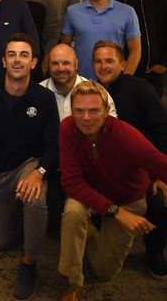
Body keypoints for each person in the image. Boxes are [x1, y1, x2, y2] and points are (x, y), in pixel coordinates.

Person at [57, 81, 167, 301]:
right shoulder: (67, 128)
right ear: (71, 111)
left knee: (104, 272)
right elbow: (71, 183)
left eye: (94, 110)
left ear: (107, 112)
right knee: (73, 212)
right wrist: (115, 212)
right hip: (90, 195)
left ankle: (90, 233)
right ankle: (73, 282)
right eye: (79, 111)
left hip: (127, 200)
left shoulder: (128, 137)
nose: (86, 117)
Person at [0, 33, 59, 301]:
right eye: (12, 55)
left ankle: (30, 264)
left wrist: (39, 172)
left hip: (27, 166)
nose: (17, 60)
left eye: (24, 55)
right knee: (1, 242)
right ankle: (16, 217)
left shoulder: (44, 98)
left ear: (33, 63)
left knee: (34, 200)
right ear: (3, 62)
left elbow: (54, 146)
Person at [92, 40, 167, 279]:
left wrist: (162, 175)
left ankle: (155, 251)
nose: (103, 66)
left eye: (109, 61)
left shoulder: (140, 89)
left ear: (122, 64)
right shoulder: (89, 92)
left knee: (160, 201)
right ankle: (99, 240)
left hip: (144, 167)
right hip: (105, 168)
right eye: (98, 61)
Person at [39, 44, 116, 233]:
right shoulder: (38, 92)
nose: (60, 68)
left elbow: (111, 134)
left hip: (89, 166)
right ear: (48, 66)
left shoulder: (96, 92)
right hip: (52, 168)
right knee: (54, 224)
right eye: (55, 63)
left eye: (66, 63)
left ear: (76, 64)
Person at [61, 0, 141, 80]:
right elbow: (64, 47)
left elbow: (136, 50)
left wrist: (125, 81)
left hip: (114, 82)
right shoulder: (72, 11)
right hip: (80, 81)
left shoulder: (127, 12)